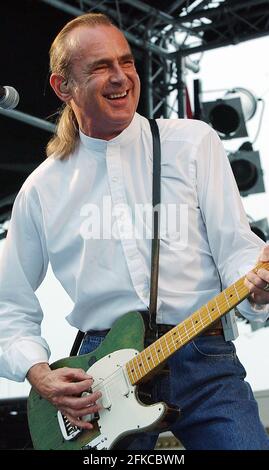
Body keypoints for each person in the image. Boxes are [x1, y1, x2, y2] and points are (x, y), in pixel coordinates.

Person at [0, 12, 269, 450]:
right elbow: (8, 303)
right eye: (101, 66)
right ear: (62, 87)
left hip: (203, 352)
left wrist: (258, 285)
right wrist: (40, 373)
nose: (121, 76)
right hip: (100, 377)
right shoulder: (41, 189)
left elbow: (238, 250)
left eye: (126, 62)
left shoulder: (194, 142)